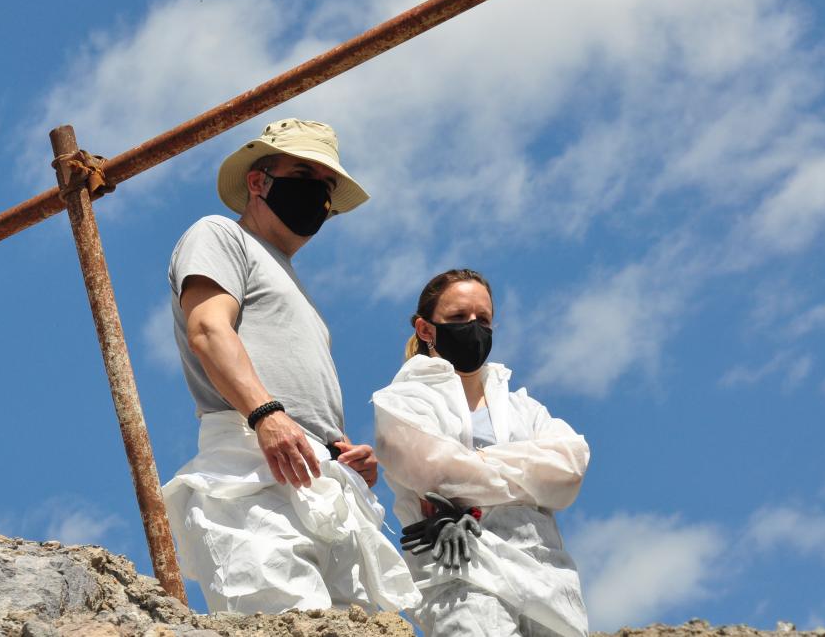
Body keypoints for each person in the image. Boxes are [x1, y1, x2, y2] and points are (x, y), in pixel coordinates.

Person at [161, 118, 420, 614]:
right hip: (252, 469)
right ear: (258, 182)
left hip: (319, 478)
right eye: (304, 174)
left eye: (326, 186)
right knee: (287, 621)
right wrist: (266, 415)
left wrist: (337, 451)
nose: (319, 194)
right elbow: (209, 331)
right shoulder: (219, 235)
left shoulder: (294, 286)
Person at [372, 269, 590, 637]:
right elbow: (436, 473)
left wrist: (476, 465)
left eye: (483, 319)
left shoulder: (525, 408)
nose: (473, 326)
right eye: (458, 317)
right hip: (460, 570)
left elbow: (569, 469)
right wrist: (529, 478)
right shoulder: (402, 403)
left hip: (548, 580)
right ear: (426, 329)